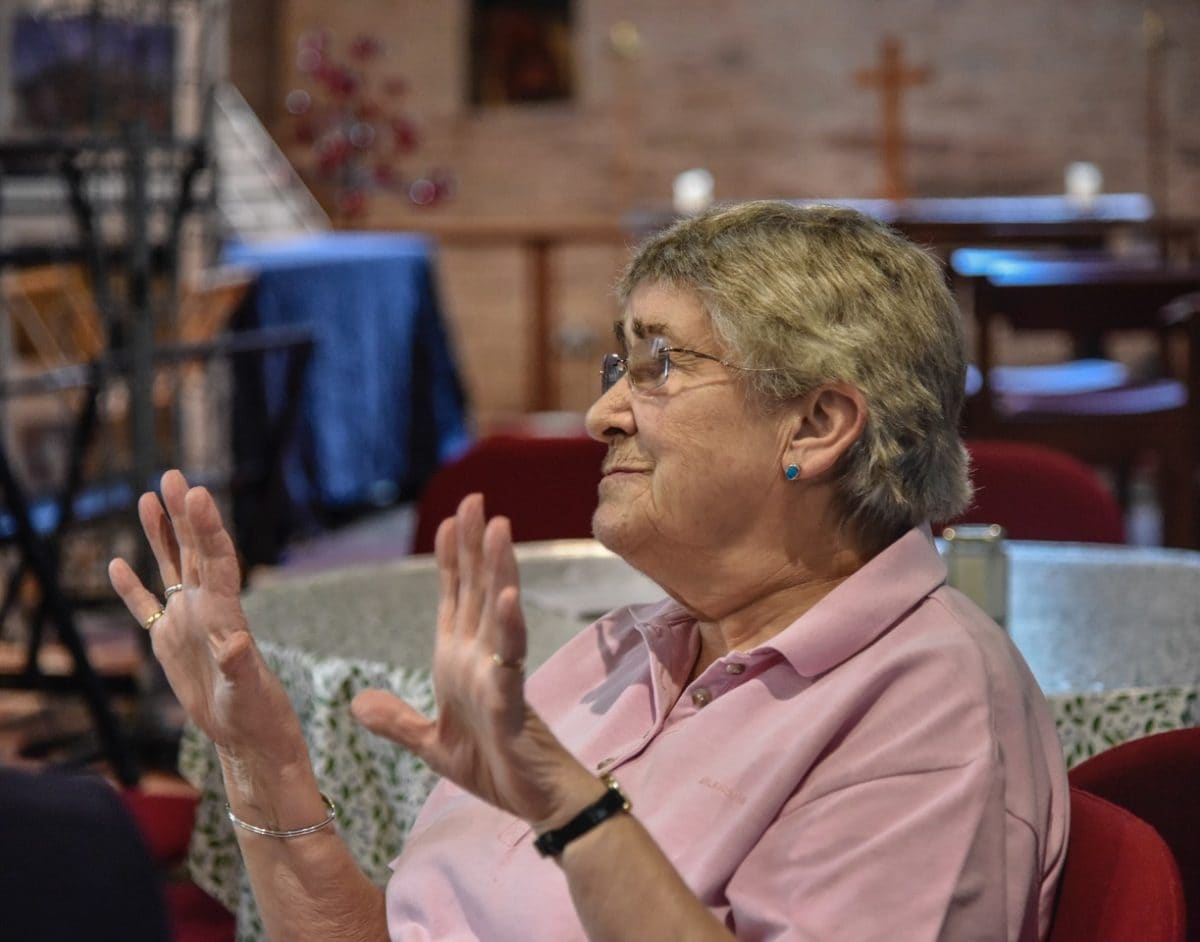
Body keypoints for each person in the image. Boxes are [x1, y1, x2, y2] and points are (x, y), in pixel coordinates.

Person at [109, 201, 1068, 941]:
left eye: (658, 367)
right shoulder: (623, 649)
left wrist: (572, 805)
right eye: (619, 365)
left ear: (815, 426)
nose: (600, 415)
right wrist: (262, 756)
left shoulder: (930, 705)